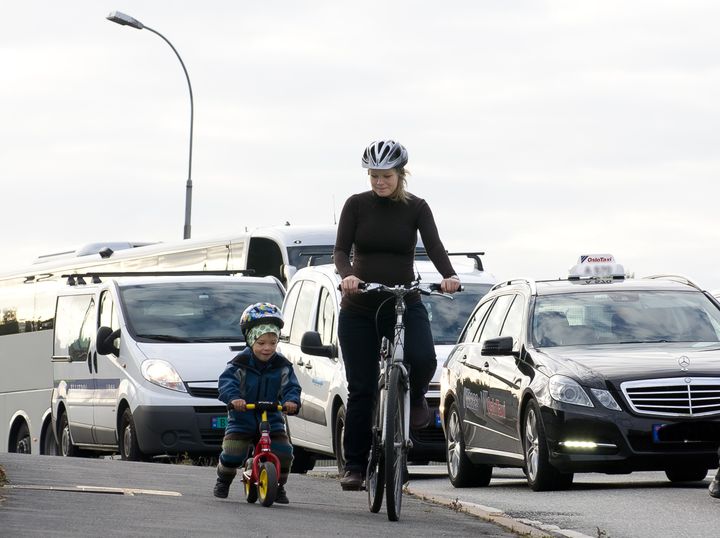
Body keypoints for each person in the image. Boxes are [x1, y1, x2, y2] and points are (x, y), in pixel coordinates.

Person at [334, 139, 461, 491]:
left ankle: (414, 395)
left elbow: (433, 245)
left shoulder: (417, 208)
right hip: (360, 307)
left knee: (422, 357)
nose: (379, 182)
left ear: (401, 175)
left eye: (385, 176)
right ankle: (355, 465)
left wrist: (449, 275)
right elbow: (341, 249)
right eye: (373, 176)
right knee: (360, 388)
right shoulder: (356, 205)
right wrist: (347, 276)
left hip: (402, 301)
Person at [212, 302, 301, 504]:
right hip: (243, 417)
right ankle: (223, 479)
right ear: (251, 340)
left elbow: (291, 387)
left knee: (284, 451)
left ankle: (278, 486)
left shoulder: (282, 365)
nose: (267, 348)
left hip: (272, 418)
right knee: (233, 450)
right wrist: (234, 399)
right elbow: (227, 383)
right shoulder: (239, 364)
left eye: (272, 342)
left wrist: (291, 401)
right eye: (261, 343)